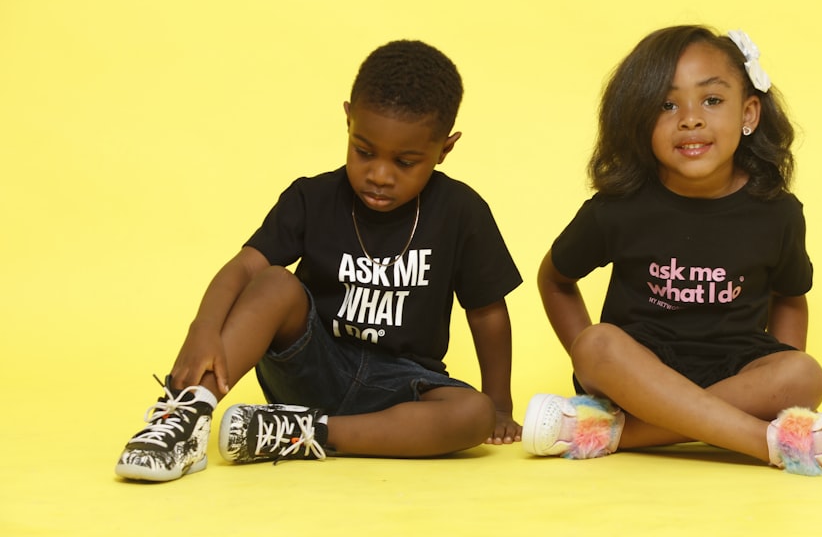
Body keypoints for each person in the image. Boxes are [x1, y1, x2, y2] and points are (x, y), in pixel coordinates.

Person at [116, 40, 523, 482]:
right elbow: (242, 268)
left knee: (473, 414)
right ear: (348, 120)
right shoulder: (311, 198)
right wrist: (204, 330)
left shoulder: (461, 212)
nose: (380, 175)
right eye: (364, 151)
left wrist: (500, 405)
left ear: (444, 149)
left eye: (406, 162)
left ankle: (297, 433)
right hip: (312, 365)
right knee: (274, 282)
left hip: (401, 386)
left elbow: (487, 314)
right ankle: (184, 418)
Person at [522, 25, 822, 476]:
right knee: (598, 343)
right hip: (638, 373)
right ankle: (774, 444)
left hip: (736, 372)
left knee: (806, 374)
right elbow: (555, 279)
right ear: (639, 120)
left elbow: (790, 296)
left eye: (712, 100)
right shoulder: (617, 209)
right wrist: (587, 360)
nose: (690, 119)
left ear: (749, 113)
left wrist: (780, 376)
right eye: (667, 105)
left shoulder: (777, 212)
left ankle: (606, 433)